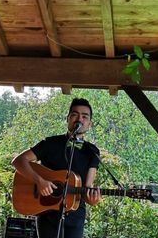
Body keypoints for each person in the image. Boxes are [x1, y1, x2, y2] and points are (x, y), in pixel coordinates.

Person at [12, 98, 101, 238]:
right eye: (75, 114)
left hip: (75, 216)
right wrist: (39, 181)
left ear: (89, 124)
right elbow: (18, 161)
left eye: (85, 116)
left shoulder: (93, 152)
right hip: (46, 212)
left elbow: (87, 187)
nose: (79, 119)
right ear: (68, 119)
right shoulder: (50, 143)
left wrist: (92, 200)